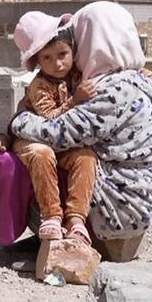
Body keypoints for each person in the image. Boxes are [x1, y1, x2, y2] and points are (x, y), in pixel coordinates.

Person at [0, 1, 152, 260]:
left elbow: (56, 133)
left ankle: (60, 231)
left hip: (116, 212)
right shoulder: (133, 78)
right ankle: (55, 231)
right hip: (132, 204)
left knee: (17, 162)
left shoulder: (110, 91)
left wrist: (15, 124)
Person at [10, 12, 97, 244]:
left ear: (72, 51)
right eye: (47, 58)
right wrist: (74, 101)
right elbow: (49, 120)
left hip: (64, 144)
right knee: (42, 153)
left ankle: (76, 218)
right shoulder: (39, 85)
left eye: (62, 55)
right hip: (33, 138)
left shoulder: (77, 75)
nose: (57, 64)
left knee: (86, 156)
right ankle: (51, 217)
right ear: (38, 60)